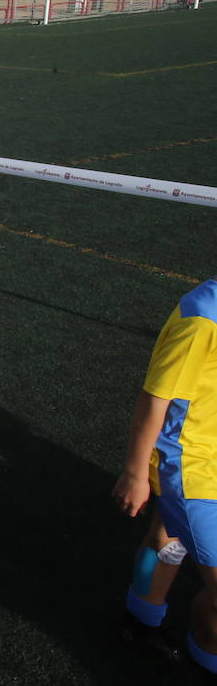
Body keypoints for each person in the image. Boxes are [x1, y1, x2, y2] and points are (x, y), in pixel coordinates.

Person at [114, 276, 217, 674]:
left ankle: (140, 621)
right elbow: (156, 396)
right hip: (191, 465)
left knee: (167, 537)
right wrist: (136, 472)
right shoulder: (204, 318)